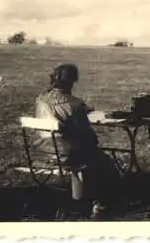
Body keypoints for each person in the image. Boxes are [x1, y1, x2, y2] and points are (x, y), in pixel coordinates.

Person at [33, 63, 119, 219]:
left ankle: (83, 198)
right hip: (67, 153)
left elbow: (58, 112)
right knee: (104, 160)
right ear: (72, 81)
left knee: (88, 156)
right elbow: (88, 136)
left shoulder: (40, 100)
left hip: (43, 150)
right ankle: (100, 204)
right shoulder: (75, 104)